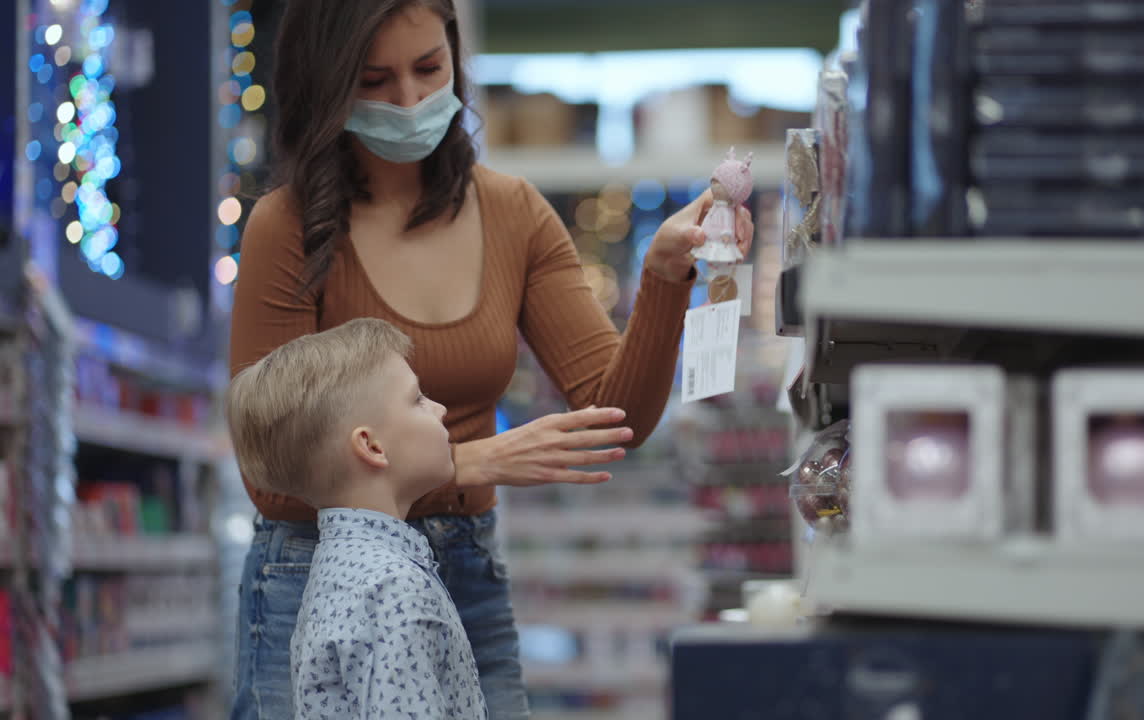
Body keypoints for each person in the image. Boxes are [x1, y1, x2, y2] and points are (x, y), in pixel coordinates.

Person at [228, 0, 754, 717]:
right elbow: (267, 470)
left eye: (428, 69)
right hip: (315, 577)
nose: (410, 101)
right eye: (375, 80)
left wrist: (664, 280)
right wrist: (467, 462)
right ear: (327, 84)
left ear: (455, 59)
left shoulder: (514, 214)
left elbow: (613, 414)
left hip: (465, 570)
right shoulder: (285, 228)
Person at [227, 318, 486, 719]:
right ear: (371, 445)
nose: (440, 409)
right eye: (418, 399)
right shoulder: (393, 588)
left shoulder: (338, 572)